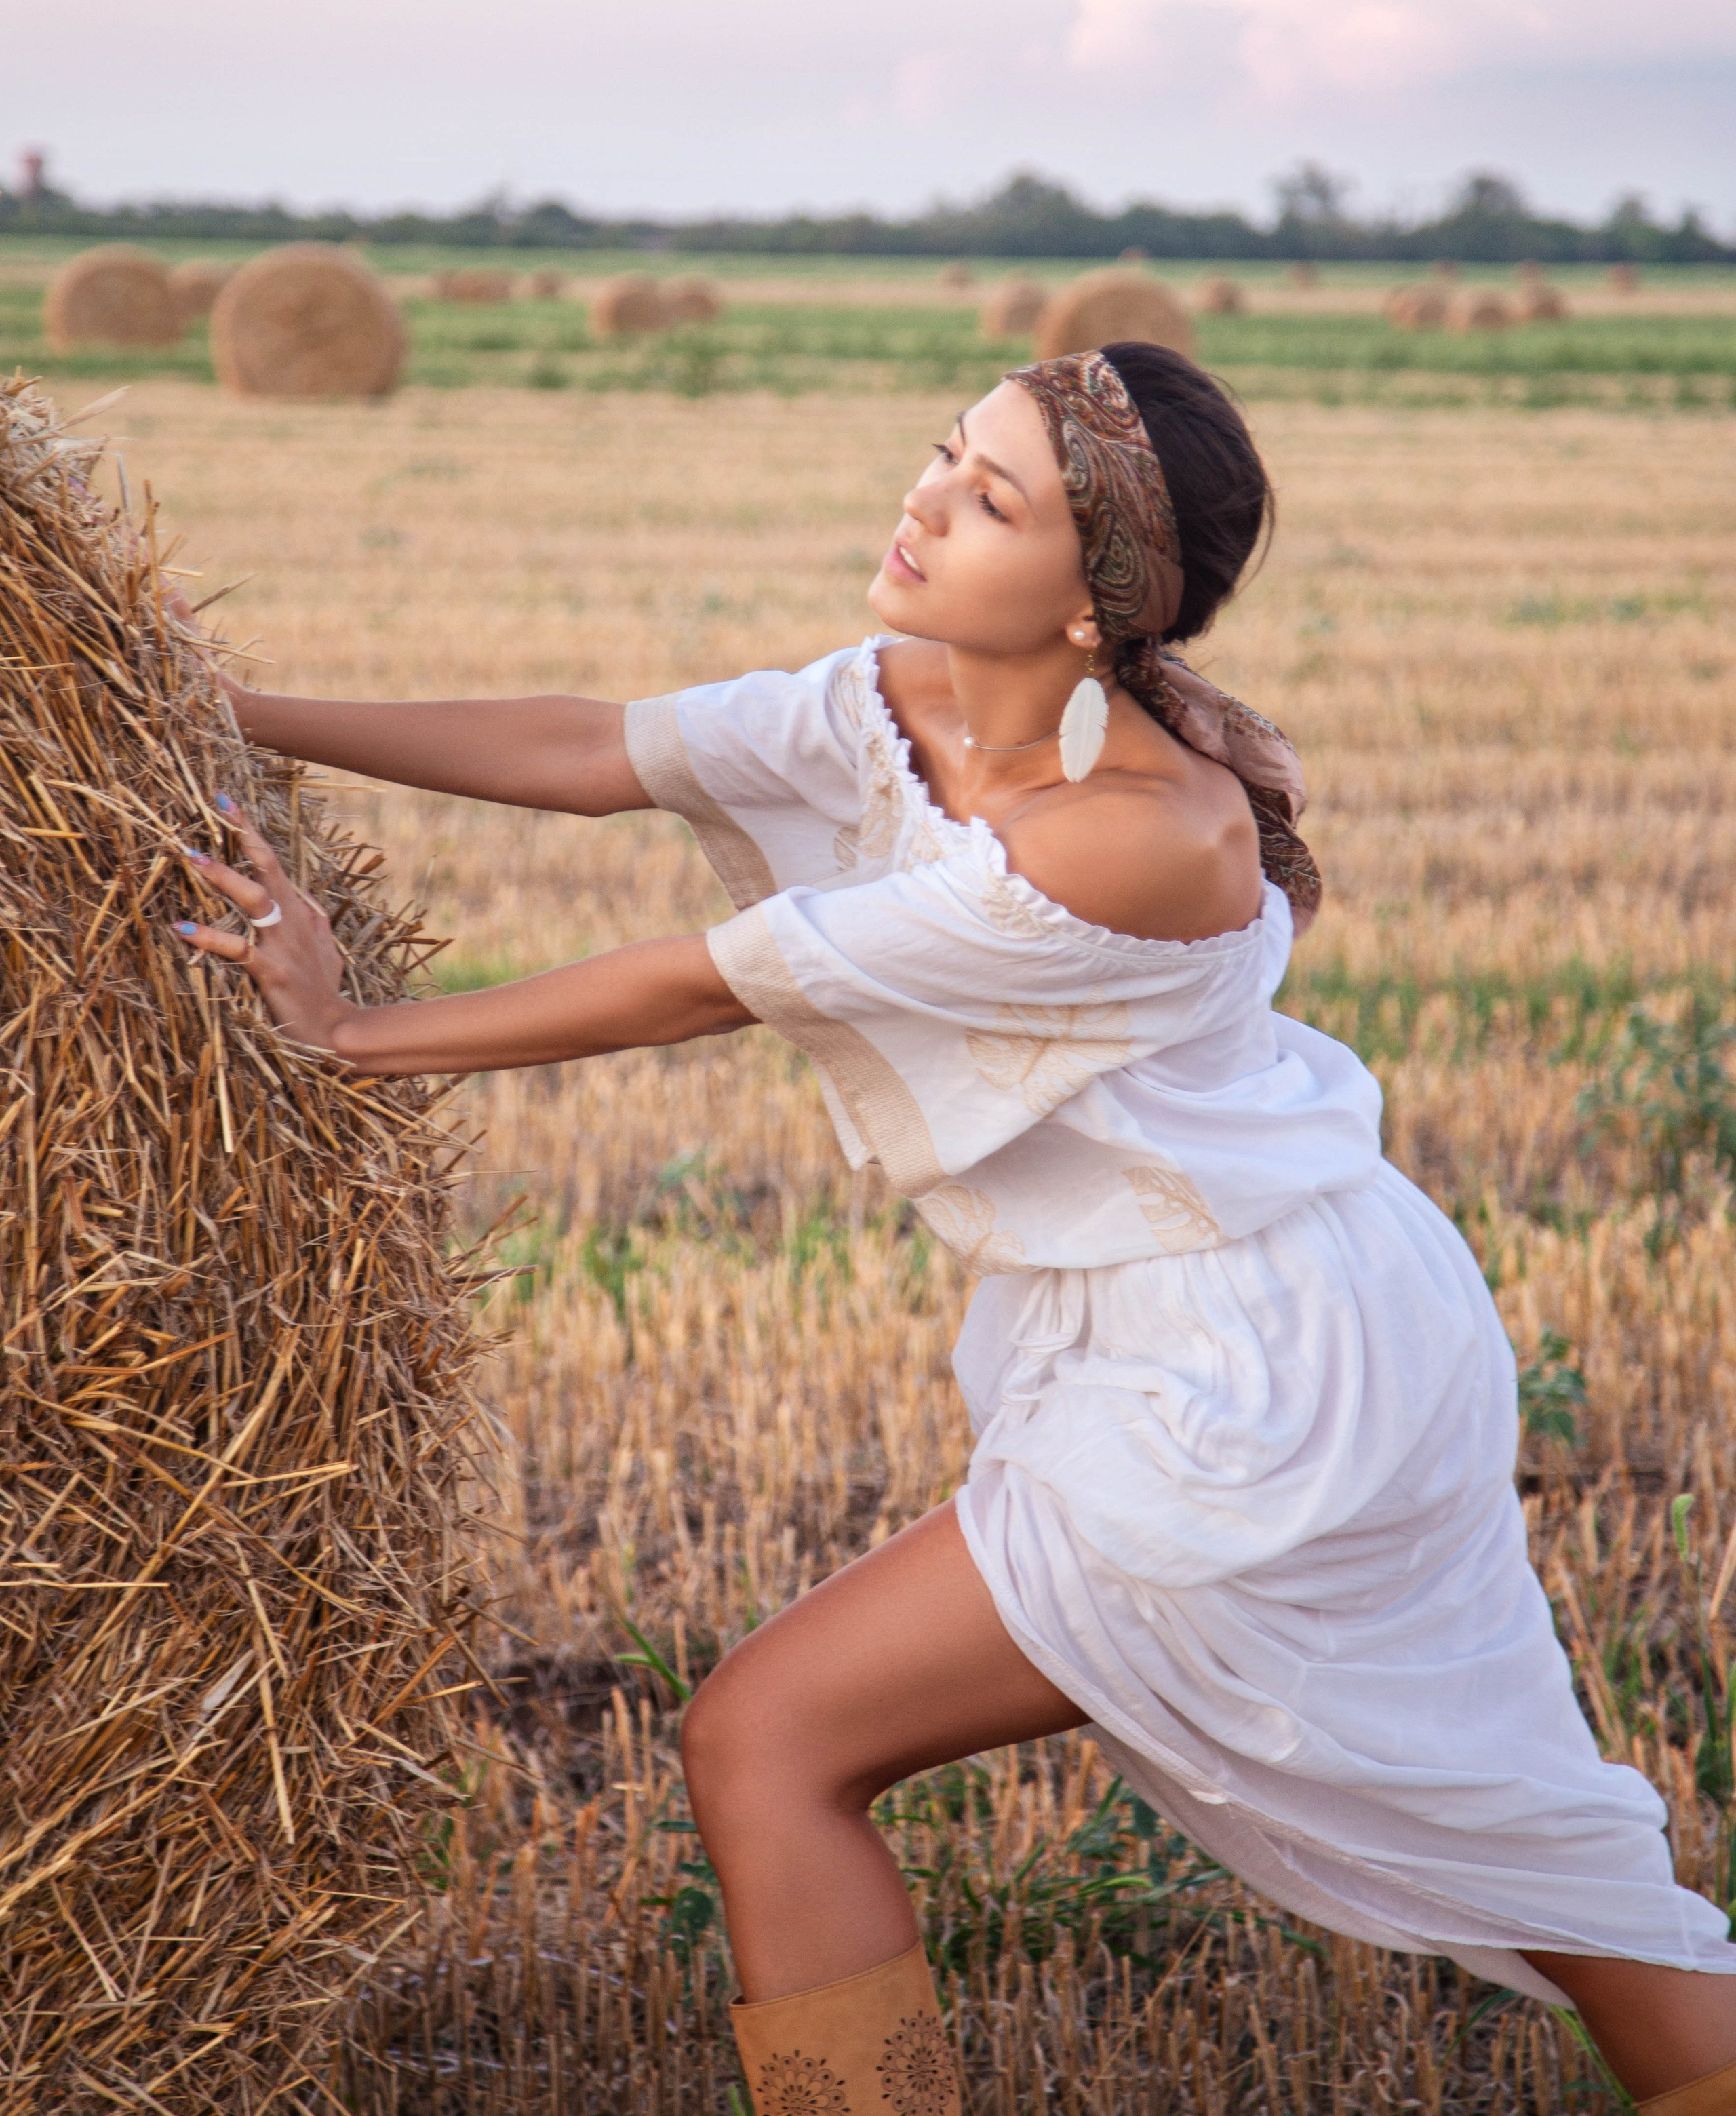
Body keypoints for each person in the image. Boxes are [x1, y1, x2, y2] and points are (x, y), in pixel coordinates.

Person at [176, 345, 1736, 2116]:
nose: (925, 498)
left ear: (1098, 602)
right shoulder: (896, 696)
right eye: (944, 454)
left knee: (768, 1739)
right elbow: (595, 746)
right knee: (1537, 1844)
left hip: (1252, 1364)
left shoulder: (1126, 837)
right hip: (1259, 1301)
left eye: (991, 497)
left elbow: (705, 987)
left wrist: (349, 1033)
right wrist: (228, 711)